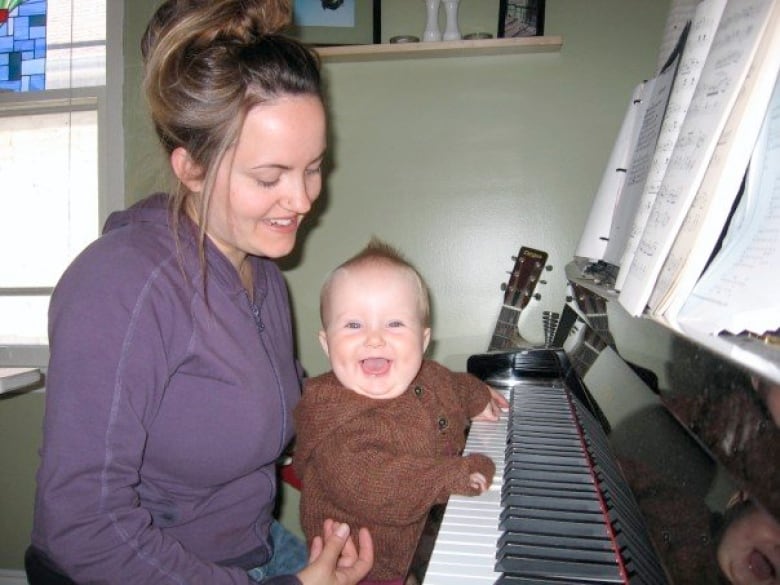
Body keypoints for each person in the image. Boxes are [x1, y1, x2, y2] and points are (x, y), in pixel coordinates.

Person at [24, 1, 373, 584]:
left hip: (253, 547)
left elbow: (286, 402)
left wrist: (415, 403)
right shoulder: (120, 286)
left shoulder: (262, 275)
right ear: (190, 167)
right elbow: (81, 525)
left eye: (313, 167)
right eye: (270, 177)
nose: (304, 199)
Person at [293, 238, 508, 584]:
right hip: (364, 569)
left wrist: (478, 395)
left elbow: (453, 384)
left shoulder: (426, 375)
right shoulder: (338, 423)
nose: (375, 339)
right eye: (353, 325)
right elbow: (380, 485)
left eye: (394, 324)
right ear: (326, 343)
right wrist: (452, 475)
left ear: (423, 342)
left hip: (421, 543)